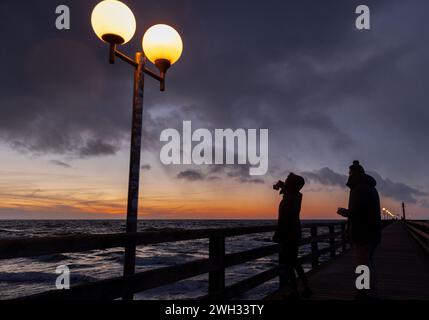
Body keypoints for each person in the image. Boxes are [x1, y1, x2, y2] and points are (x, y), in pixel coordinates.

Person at [337, 160, 382, 299]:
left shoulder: (359, 188)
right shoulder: (370, 187)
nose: (348, 176)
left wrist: (345, 212)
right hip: (373, 232)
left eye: (350, 173)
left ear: (355, 174)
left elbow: (358, 211)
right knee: (368, 261)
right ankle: (372, 290)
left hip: (363, 232)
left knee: (362, 263)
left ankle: (363, 292)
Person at [273, 173, 312, 299]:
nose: (285, 181)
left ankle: (294, 291)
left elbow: (285, 219)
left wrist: (278, 234)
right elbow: (291, 190)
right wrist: (283, 186)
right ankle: (306, 287)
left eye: (287, 180)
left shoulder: (290, 197)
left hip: (288, 234)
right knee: (294, 262)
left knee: (289, 263)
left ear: (291, 184)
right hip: (294, 233)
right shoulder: (296, 195)